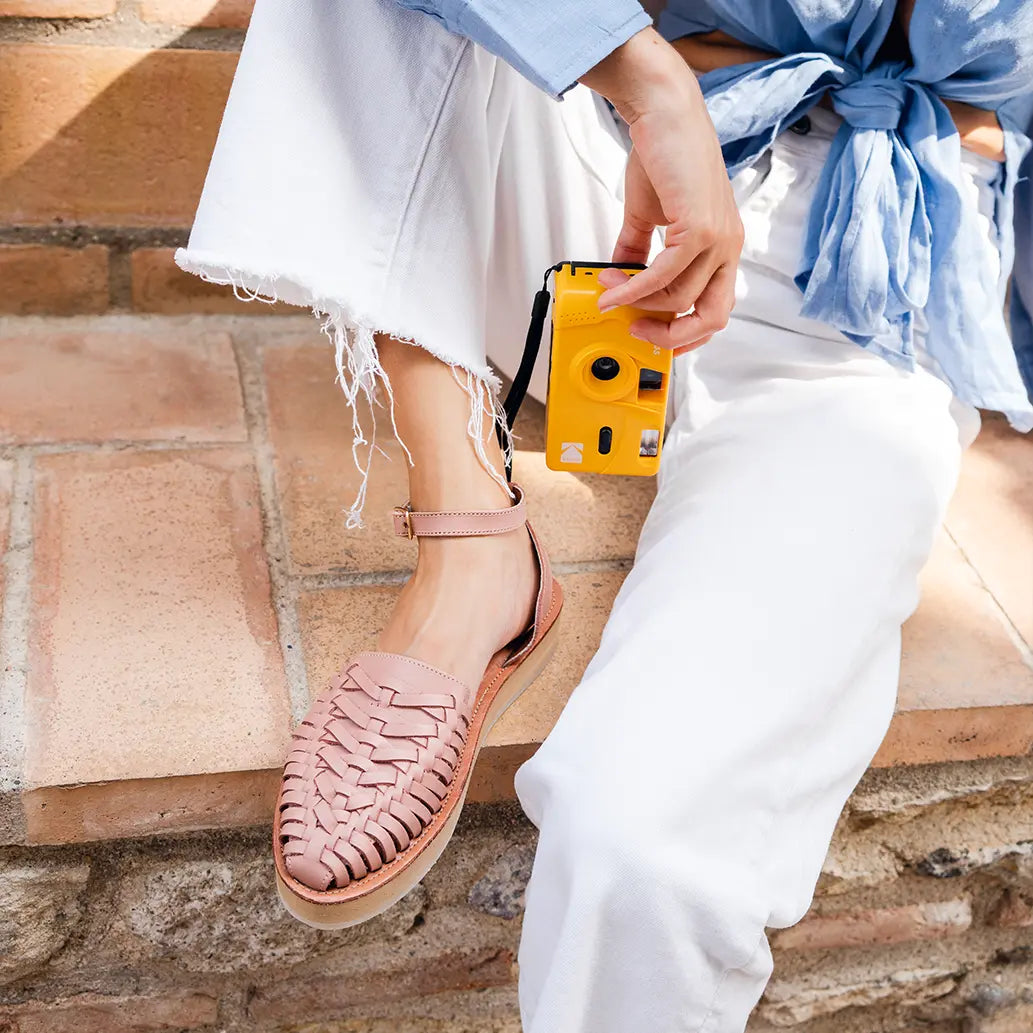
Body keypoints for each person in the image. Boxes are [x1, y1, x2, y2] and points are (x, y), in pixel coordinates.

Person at [177, 1, 1033, 1030]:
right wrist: (646, 81)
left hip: (863, 303)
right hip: (605, 194)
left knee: (639, 838)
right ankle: (471, 556)